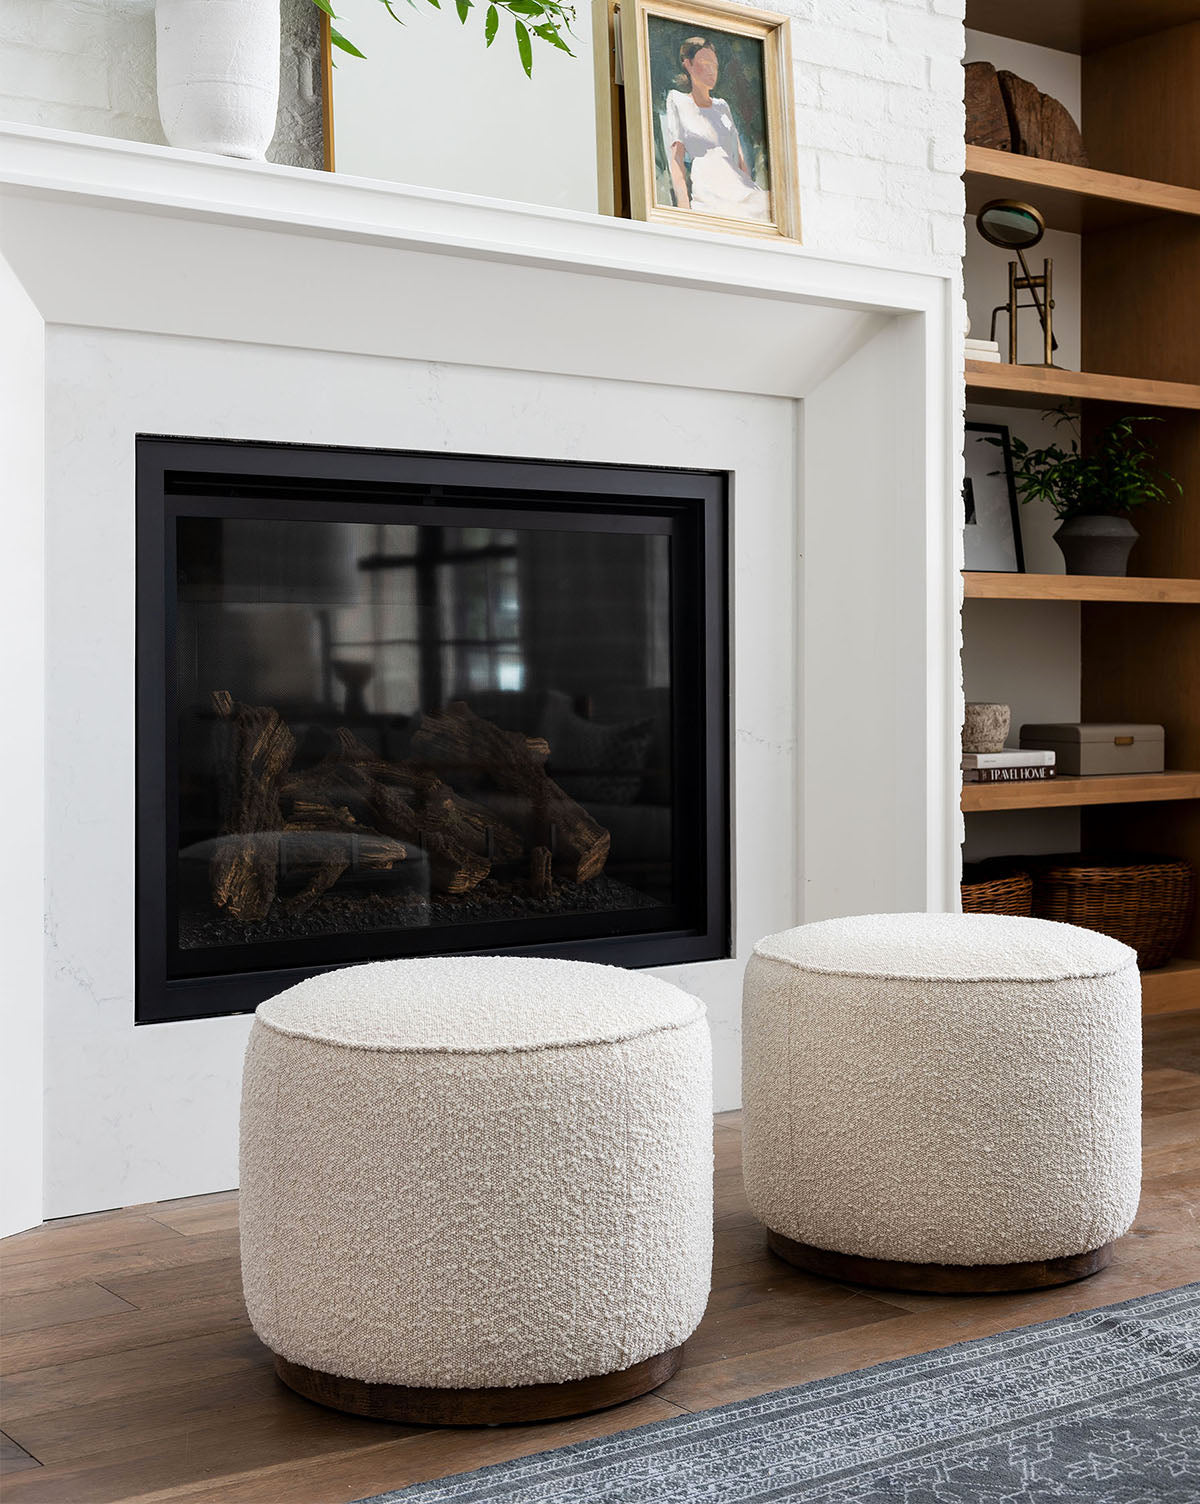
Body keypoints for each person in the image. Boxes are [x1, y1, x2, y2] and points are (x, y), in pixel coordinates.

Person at [663, 36, 770, 223]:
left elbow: (739, 157)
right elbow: (676, 159)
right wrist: (683, 207)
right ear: (688, 65)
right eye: (705, 64)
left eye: (715, 65)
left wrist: (749, 184)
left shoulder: (722, 106)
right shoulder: (677, 100)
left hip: (738, 185)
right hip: (708, 187)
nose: (712, 71)